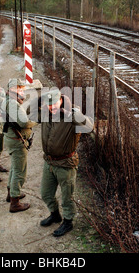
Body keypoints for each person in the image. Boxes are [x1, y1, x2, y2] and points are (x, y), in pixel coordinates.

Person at [39, 88, 93, 237]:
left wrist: (70, 113)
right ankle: (55, 215)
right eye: (49, 104)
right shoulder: (46, 113)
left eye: (55, 103)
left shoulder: (72, 114)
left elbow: (89, 126)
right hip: (49, 163)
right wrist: (37, 101)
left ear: (61, 100)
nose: (53, 107)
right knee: (45, 193)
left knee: (67, 197)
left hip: (65, 164)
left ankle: (68, 222)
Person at [3, 78, 37, 213]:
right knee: (20, 171)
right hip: (17, 141)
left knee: (14, 168)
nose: (21, 91)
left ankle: (11, 193)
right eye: (19, 88)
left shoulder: (9, 101)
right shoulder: (13, 104)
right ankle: (15, 202)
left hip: (12, 138)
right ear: (12, 90)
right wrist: (35, 120)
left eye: (22, 88)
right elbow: (24, 123)